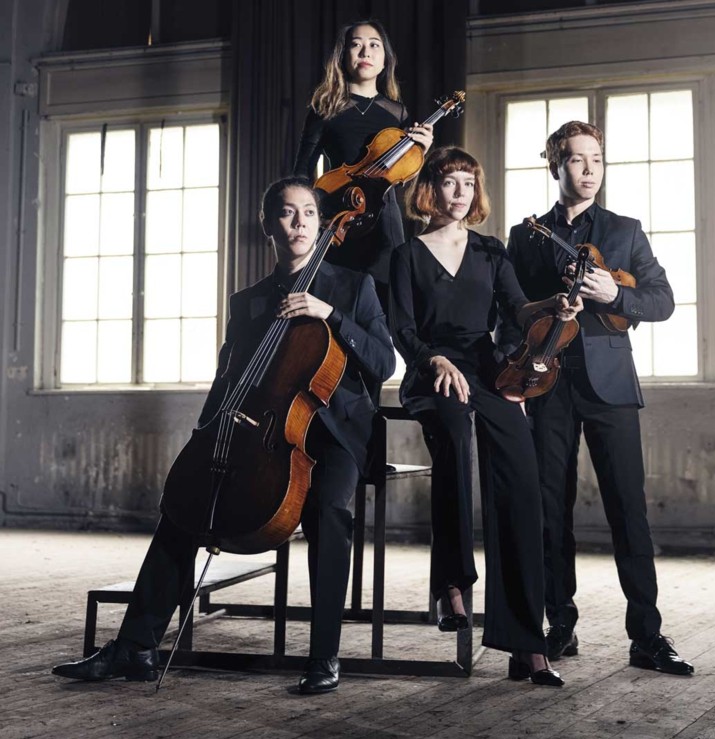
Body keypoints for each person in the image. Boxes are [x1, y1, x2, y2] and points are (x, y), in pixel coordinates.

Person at [51, 176, 396, 694]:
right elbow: (228, 377)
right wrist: (207, 436)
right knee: (186, 503)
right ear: (268, 225)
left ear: (321, 222)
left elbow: (384, 362)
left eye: (308, 212)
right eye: (286, 213)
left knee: (328, 509)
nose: (299, 222)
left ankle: (324, 655)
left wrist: (330, 315)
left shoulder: (352, 287)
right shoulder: (248, 302)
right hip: (261, 432)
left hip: (334, 433)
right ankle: (135, 647)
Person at [389, 146, 582, 686]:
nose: (461, 193)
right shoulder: (406, 255)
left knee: (522, 480)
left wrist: (553, 307)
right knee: (454, 435)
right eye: (450, 182)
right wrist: (433, 360)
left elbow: (518, 309)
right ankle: (452, 583)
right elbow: (402, 329)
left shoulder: (491, 251)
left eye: (469, 184)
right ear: (430, 189)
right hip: (433, 370)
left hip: (489, 370)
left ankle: (526, 644)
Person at [506, 121, 694, 676]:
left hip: (610, 386)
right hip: (547, 382)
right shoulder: (527, 235)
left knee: (627, 509)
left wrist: (615, 294)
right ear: (555, 166)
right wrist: (534, 334)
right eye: (576, 159)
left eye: (597, 159)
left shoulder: (624, 231)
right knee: (549, 510)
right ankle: (559, 626)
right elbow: (508, 313)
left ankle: (647, 636)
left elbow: (662, 301)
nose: (589, 170)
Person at [293, 19, 433, 311]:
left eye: (374, 45)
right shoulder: (325, 108)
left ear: (384, 60)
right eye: (356, 45)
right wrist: (314, 216)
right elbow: (302, 172)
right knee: (338, 307)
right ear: (343, 56)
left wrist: (423, 150)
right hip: (338, 218)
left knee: (384, 310)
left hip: (385, 223)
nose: (365, 52)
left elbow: (403, 178)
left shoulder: (398, 113)